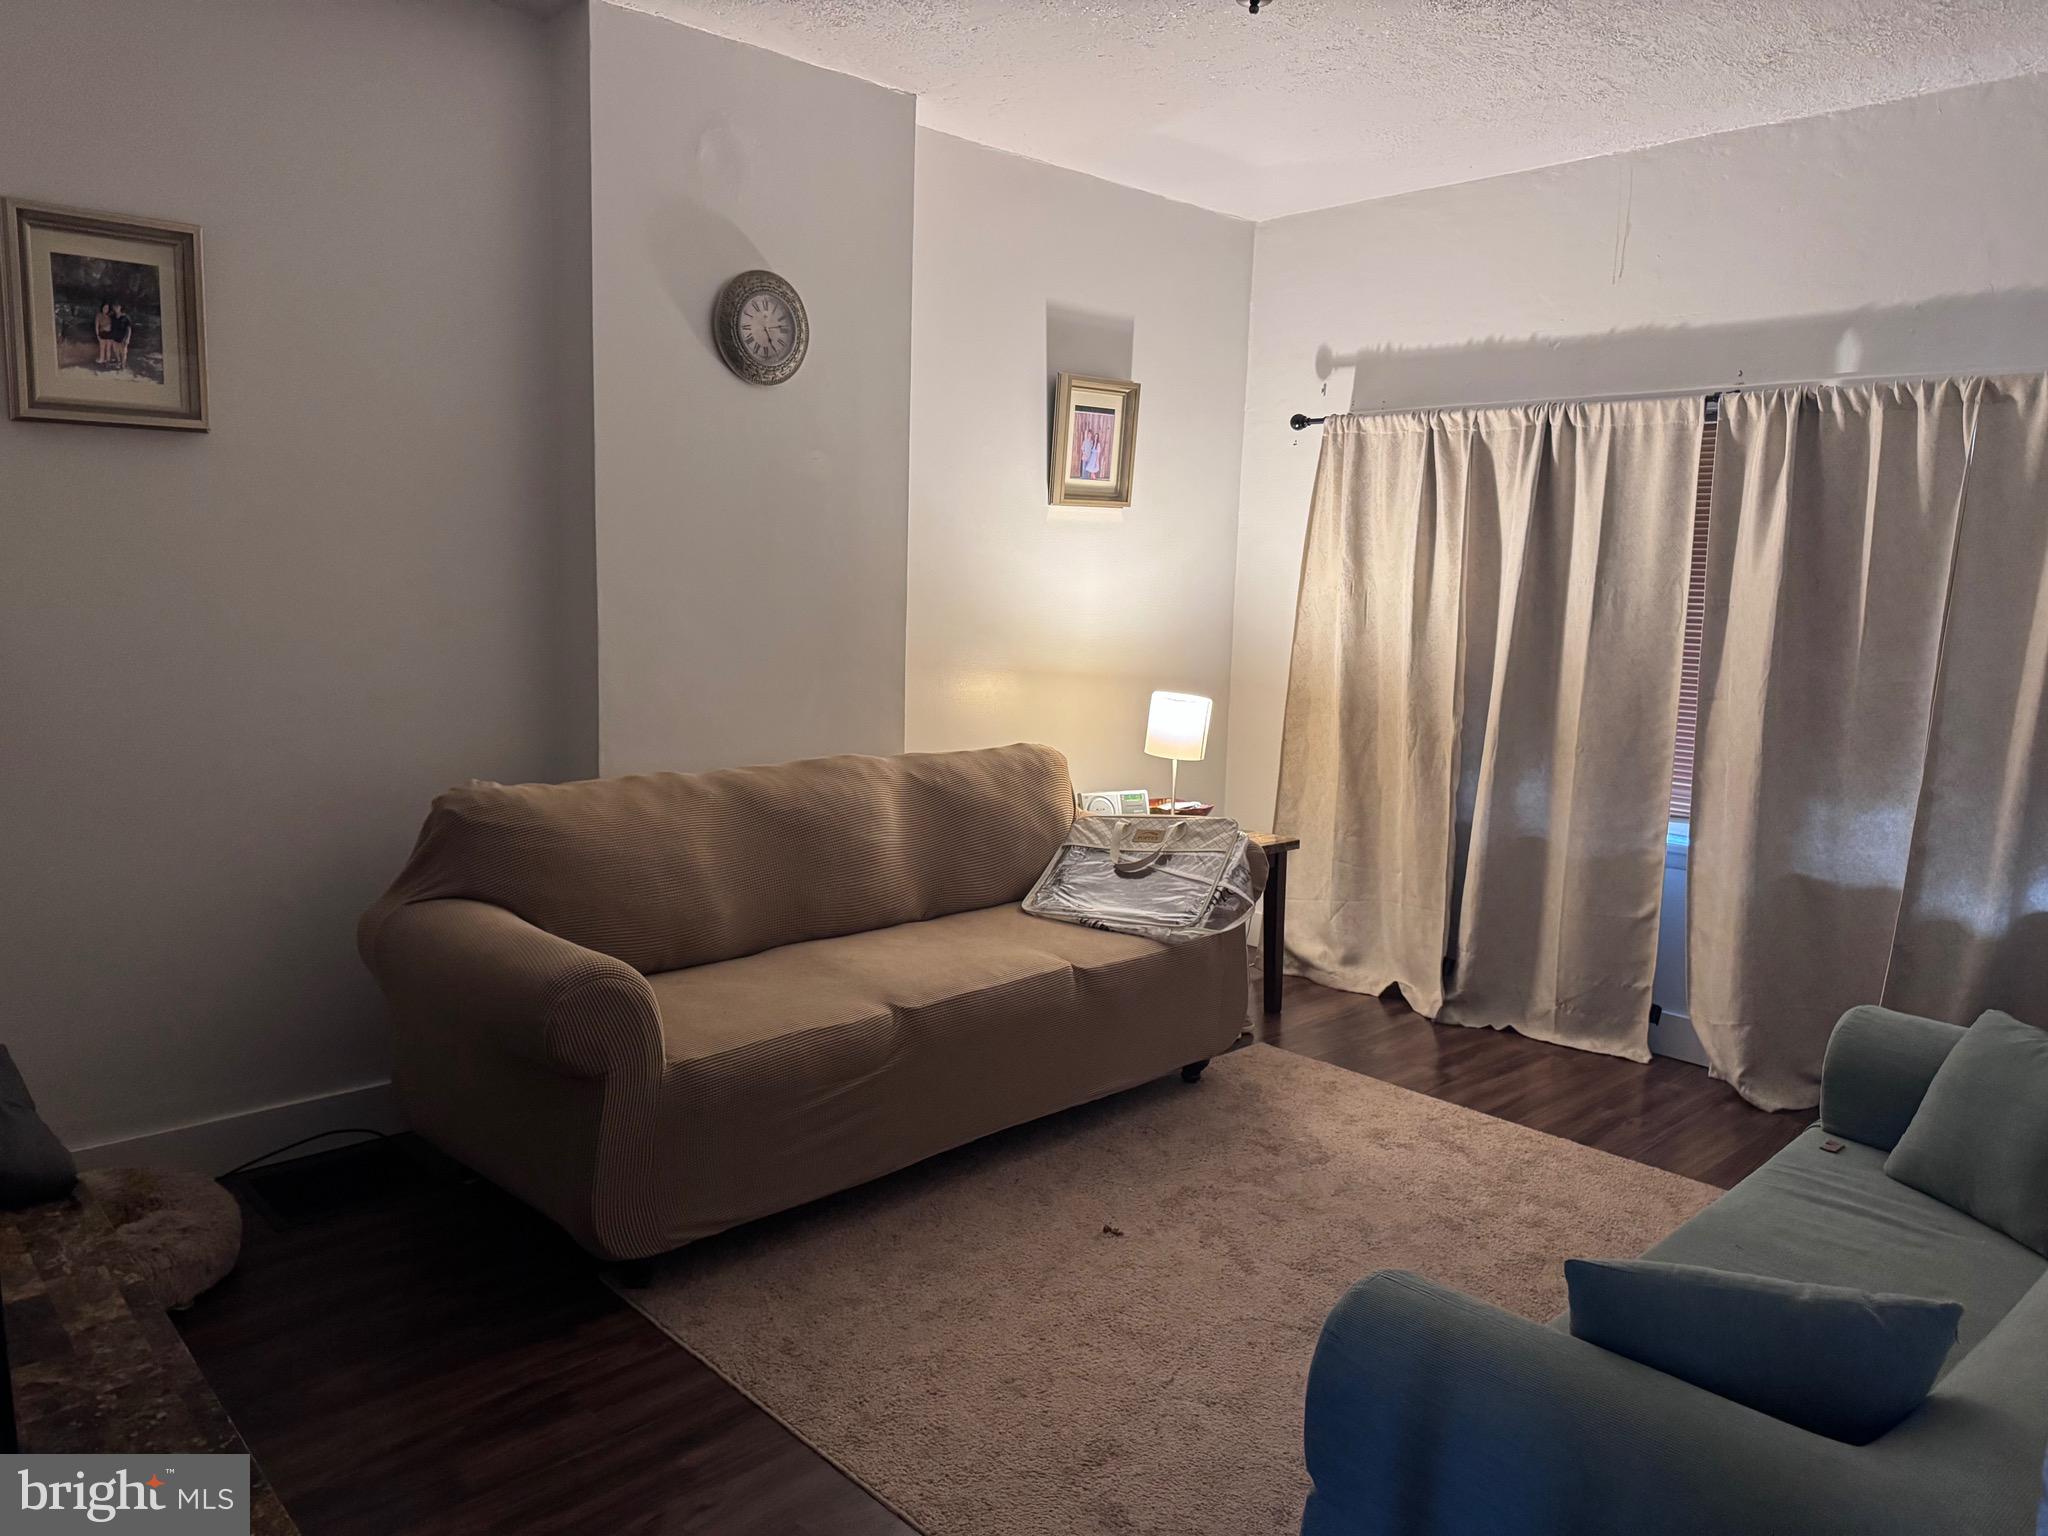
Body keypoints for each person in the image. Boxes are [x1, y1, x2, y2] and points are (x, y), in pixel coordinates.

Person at [110, 305, 132, 371]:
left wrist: (128, 338)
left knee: (123, 352)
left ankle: (123, 365)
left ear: (120, 307)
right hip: (114, 337)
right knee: (116, 351)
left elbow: (129, 329)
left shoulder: (126, 317)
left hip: (123, 338)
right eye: (115, 307)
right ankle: (118, 362)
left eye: (117, 306)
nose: (116, 308)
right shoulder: (113, 316)